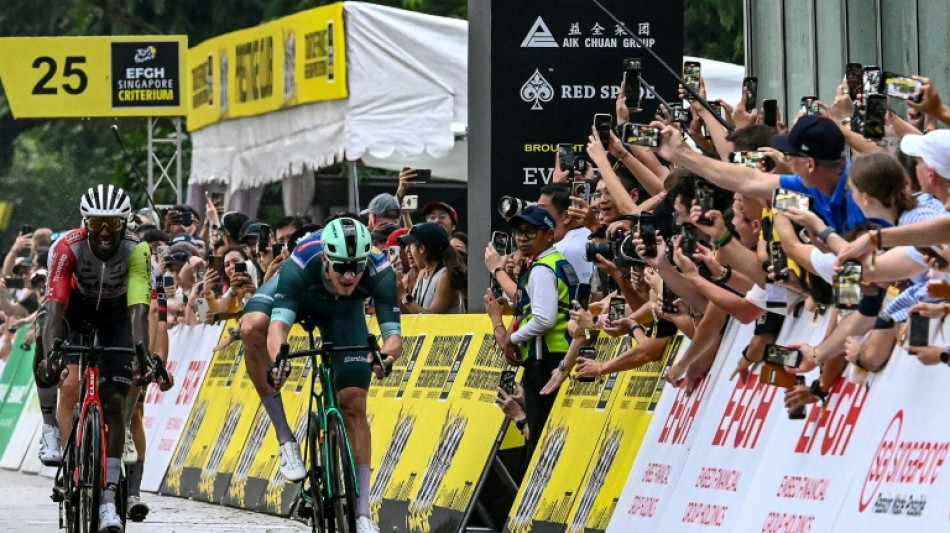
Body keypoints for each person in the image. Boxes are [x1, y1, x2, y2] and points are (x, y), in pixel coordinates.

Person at [35, 185, 171, 532]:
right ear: (85, 224)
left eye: (112, 222)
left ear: (125, 222)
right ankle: (50, 425)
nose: (106, 231)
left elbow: (140, 312)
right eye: (97, 224)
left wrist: (142, 354)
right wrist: (52, 355)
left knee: (113, 403)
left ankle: (109, 501)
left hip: (116, 317)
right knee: (43, 332)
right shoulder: (66, 248)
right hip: (75, 309)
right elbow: (55, 311)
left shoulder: (137, 250)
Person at [266, 217, 402, 533]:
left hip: (346, 314)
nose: (350, 275)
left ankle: (363, 512)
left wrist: (385, 356)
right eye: (341, 267)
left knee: (354, 404)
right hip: (307, 301)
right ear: (326, 258)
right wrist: (280, 360)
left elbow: (394, 337)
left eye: (356, 267)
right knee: (256, 327)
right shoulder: (299, 264)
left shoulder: (380, 272)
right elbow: (278, 328)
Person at [485, 206, 578, 459]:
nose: (522, 238)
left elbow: (544, 319)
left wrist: (510, 338)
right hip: (555, 358)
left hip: (546, 362)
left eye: (530, 232)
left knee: (539, 444)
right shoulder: (551, 262)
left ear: (549, 234)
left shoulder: (542, 269)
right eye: (518, 232)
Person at [396, 222, 465, 314]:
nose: (408, 250)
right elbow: (411, 312)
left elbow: (432, 318)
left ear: (421, 248)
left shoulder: (444, 276)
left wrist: (404, 295)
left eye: (410, 245)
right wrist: (397, 291)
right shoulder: (422, 273)